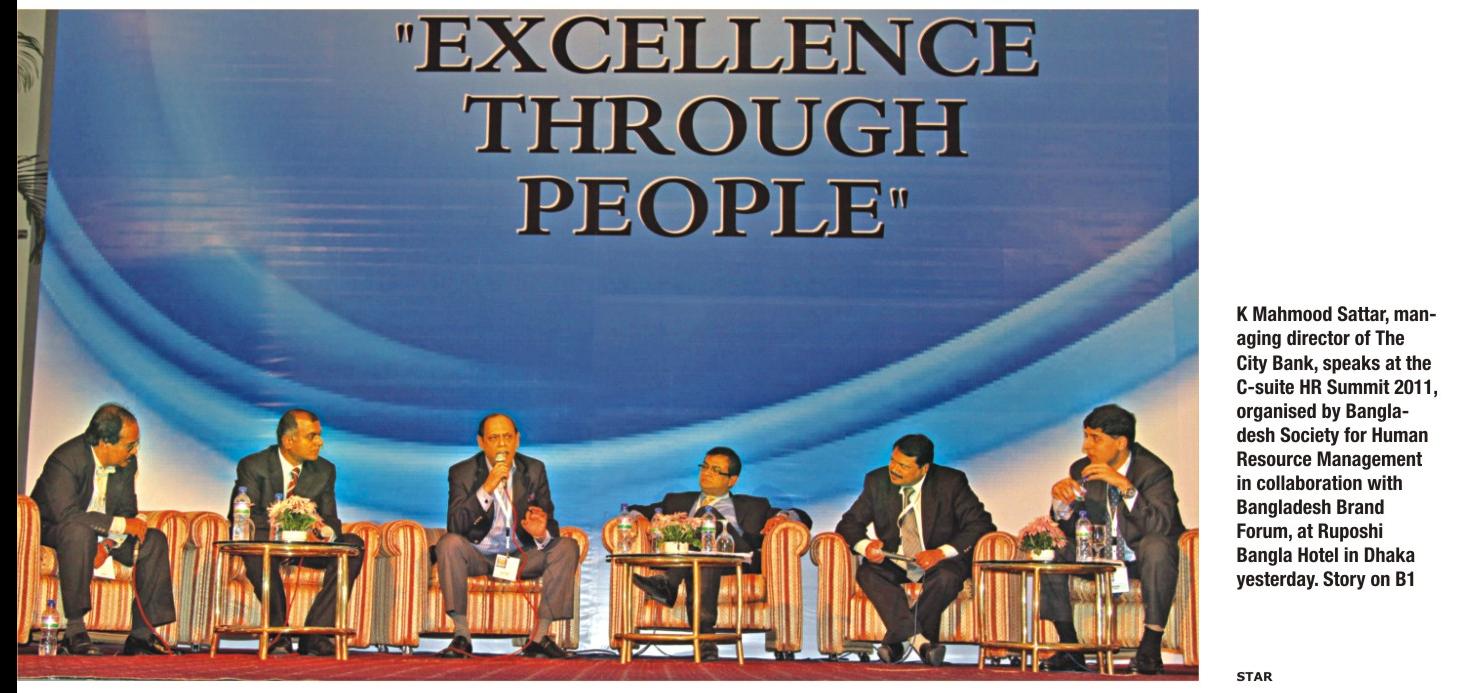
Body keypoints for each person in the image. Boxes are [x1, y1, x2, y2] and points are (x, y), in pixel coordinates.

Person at [625, 446, 812, 661]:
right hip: (698, 564)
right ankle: (705, 640)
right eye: (704, 467)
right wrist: (639, 519)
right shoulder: (675, 501)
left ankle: (669, 584)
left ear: (732, 480)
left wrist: (783, 517)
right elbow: (636, 509)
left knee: (707, 516)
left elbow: (803, 517)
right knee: (705, 562)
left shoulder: (755, 505)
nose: (706, 473)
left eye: (715, 470)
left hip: (736, 561)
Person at [1039, 404, 1185, 675]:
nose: (1086, 446)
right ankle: (1071, 647)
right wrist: (1062, 504)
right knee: (1049, 548)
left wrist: (1125, 487)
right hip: (1099, 554)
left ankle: (1150, 647)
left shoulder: (1153, 471)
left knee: (1157, 546)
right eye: (1086, 436)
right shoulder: (1082, 469)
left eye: (1095, 438)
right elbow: (1071, 528)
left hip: (1138, 559)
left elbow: (1160, 526)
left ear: (1120, 442)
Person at [835, 434, 996, 667]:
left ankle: (897, 643)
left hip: (938, 562)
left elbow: (981, 524)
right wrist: (866, 546)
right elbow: (848, 524)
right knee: (867, 572)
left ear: (924, 468)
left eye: (904, 466)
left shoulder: (950, 482)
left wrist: (940, 552)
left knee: (947, 577)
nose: (894, 469)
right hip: (897, 560)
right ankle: (921, 642)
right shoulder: (877, 481)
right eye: (893, 461)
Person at [29, 403, 175, 655]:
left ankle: (141, 636)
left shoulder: (127, 463)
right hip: (56, 531)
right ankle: (75, 630)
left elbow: (127, 512)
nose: (134, 451)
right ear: (105, 443)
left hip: (102, 534)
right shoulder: (65, 460)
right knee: (79, 532)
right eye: (130, 445)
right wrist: (119, 526)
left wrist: (107, 546)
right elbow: (67, 516)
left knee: (153, 541)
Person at [433, 413, 581, 659]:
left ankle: (539, 638)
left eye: (507, 437)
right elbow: (456, 526)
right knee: (448, 544)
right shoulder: (462, 472)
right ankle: (461, 636)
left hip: (518, 559)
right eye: (494, 438)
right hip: (478, 557)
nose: (502, 444)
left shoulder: (534, 470)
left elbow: (550, 523)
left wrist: (541, 533)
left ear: (517, 440)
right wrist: (486, 488)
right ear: (481, 442)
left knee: (567, 546)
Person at [228, 409, 366, 656]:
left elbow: (330, 518)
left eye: (319, 435)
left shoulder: (324, 470)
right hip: (268, 543)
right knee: (256, 550)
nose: (319, 442)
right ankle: (278, 633)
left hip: (307, 546)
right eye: (312, 436)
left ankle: (315, 633)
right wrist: (287, 528)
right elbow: (245, 516)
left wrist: (323, 532)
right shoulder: (254, 465)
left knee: (353, 545)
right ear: (288, 441)